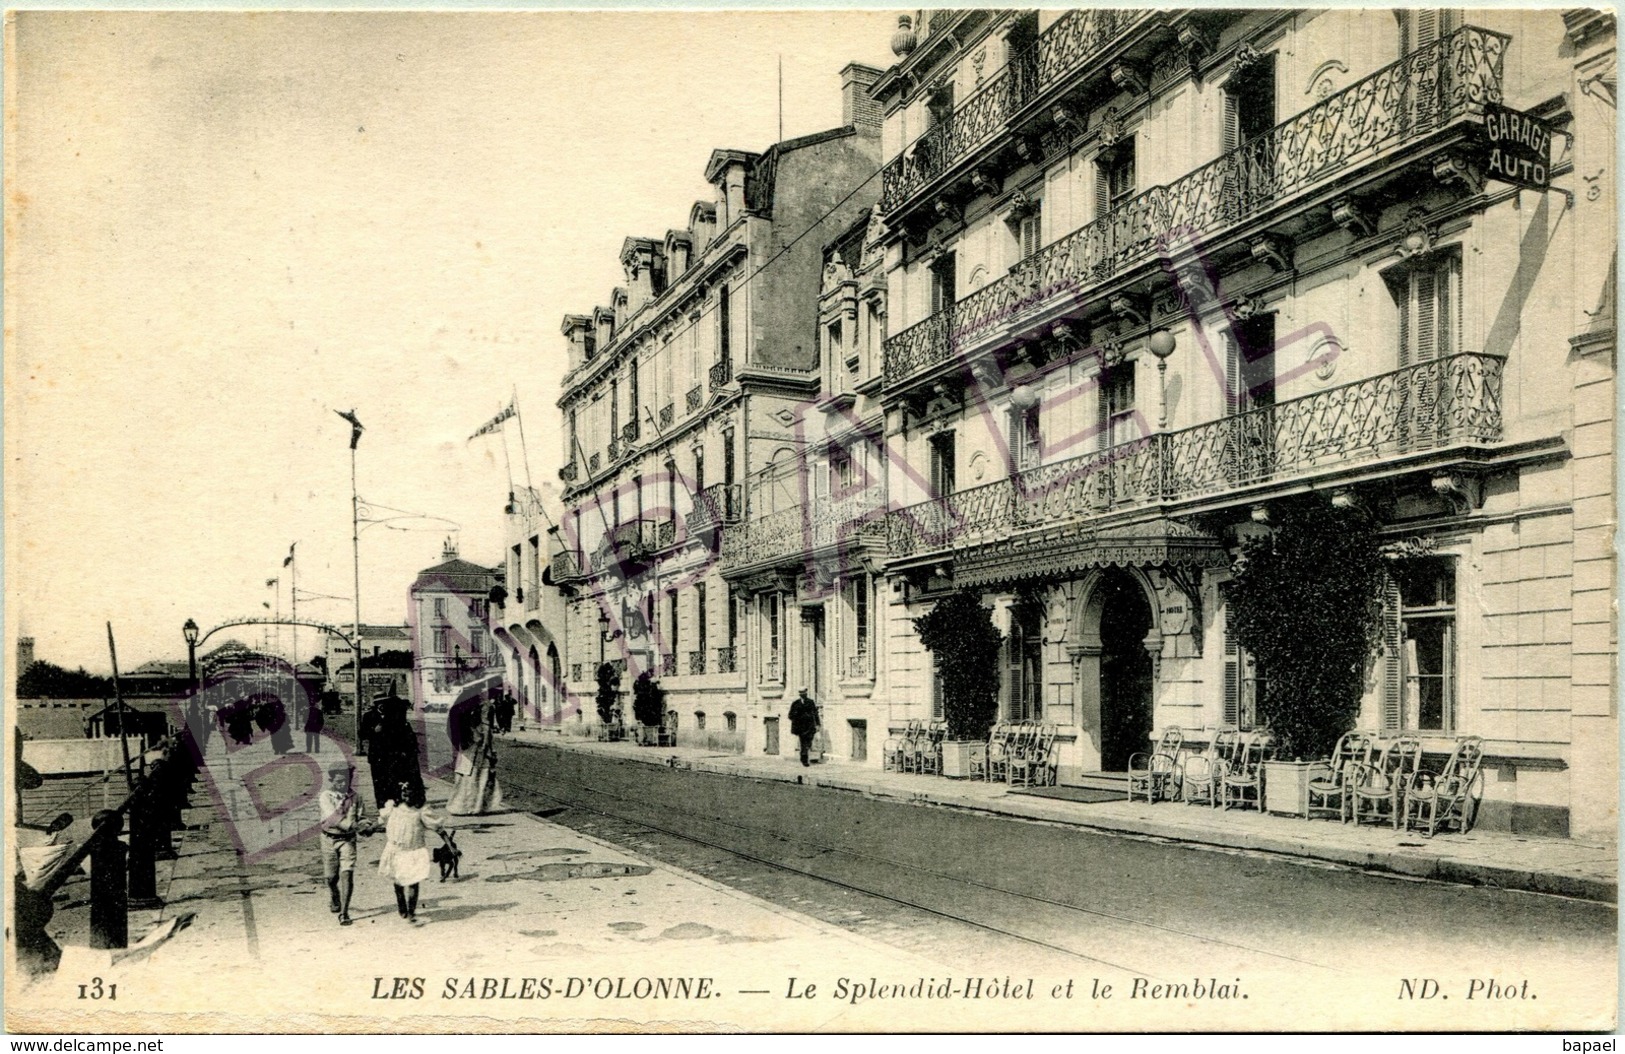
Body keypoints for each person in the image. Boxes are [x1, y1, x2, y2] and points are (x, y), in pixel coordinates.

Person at [376, 781, 440, 923]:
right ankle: (401, 902)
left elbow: (437, 828)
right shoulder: (393, 807)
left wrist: (450, 845)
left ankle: (411, 911)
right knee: (398, 881)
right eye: (403, 792)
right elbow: (380, 821)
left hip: (414, 850)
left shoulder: (421, 810)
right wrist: (368, 829)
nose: (406, 794)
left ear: (416, 794)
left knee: (413, 881)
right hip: (396, 850)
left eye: (410, 792)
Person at [317, 763, 362, 926]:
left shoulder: (356, 797)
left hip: (348, 840)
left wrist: (366, 825)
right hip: (329, 839)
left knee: (347, 873)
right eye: (338, 781)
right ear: (331, 780)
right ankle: (334, 894)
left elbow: (361, 816)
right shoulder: (325, 797)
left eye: (346, 781)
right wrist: (352, 825)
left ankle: (344, 912)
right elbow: (332, 818)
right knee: (330, 878)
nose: (343, 784)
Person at [447, 688, 503, 815]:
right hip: (478, 745)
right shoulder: (486, 706)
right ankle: (475, 807)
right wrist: (488, 746)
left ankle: (459, 806)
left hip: (466, 745)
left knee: (465, 776)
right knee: (479, 776)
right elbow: (487, 728)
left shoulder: (462, 706)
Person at [788, 687, 820, 768]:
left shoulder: (811, 702)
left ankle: (803, 755)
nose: (803, 695)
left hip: (810, 726)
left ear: (806, 693)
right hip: (801, 727)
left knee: (808, 742)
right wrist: (797, 719)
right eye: (801, 693)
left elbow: (815, 714)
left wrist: (818, 724)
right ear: (800, 694)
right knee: (803, 743)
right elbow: (790, 715)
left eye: (804, 693)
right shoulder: (795, 703)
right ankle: (804, 759)